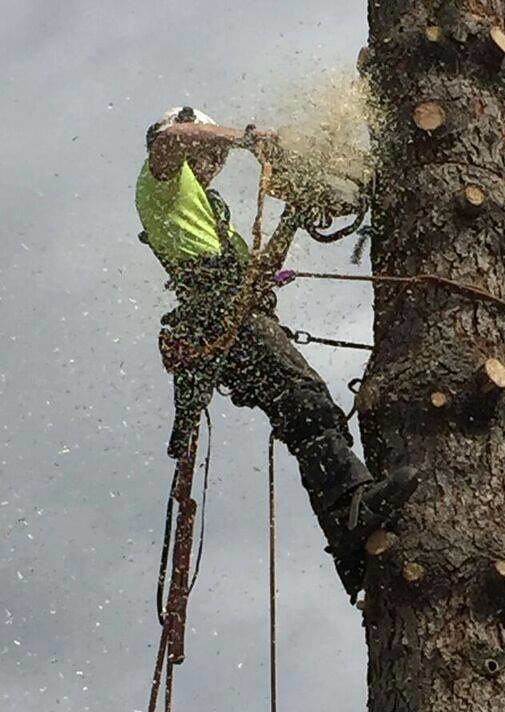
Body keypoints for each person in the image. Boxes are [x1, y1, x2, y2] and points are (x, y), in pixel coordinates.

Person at [135, 106, 418, 598]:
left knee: (300, 410)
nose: (216, 162)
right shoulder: (162, 182)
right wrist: (245, 138)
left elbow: (253, 274)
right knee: (305, 399)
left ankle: (351, 546)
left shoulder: (209, 209)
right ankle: (349, 507)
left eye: (221, 156)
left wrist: (290, 228)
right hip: (218, 316)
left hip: (232, 316)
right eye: (212, 151)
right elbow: (168, 139)